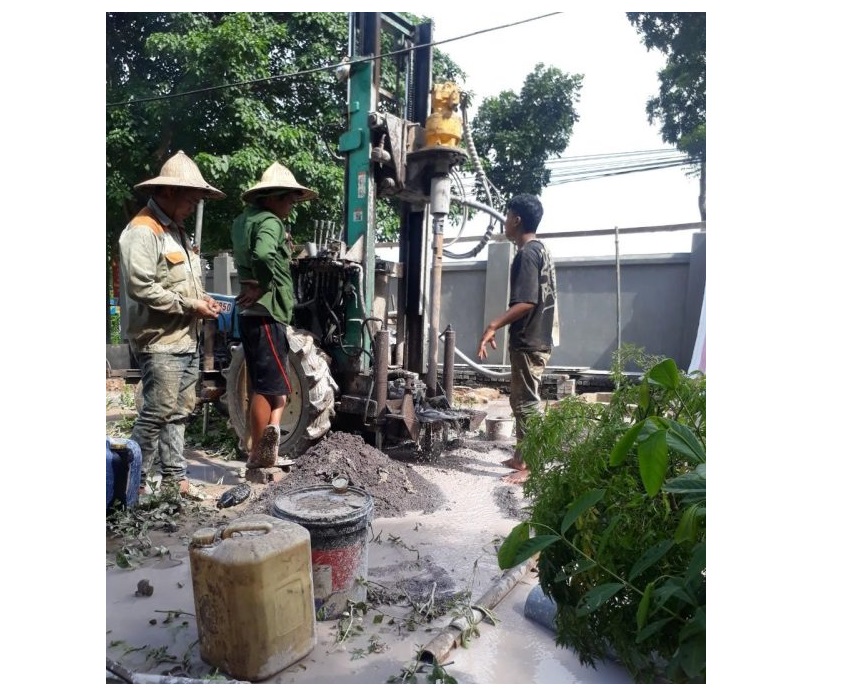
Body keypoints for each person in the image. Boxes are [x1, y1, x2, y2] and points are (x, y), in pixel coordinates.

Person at [119, 150, 225, 496]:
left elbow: (183, 281)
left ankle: (174, 480)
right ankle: (130, 487)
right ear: (168, 191)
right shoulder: (143, 230)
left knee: (179, 411)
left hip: (186, 337)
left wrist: (202, 299)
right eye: (190, 199)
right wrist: (191, 305)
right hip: (160, 340)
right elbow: (141, 286)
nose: (193, 206)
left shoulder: (176, 231)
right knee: (157, 412)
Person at [230, 162, 318, 468]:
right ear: (271, 198)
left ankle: (263, 444)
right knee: (271, 388)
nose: (290, 208)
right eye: (288, 201)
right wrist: (264, 284)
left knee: (265, 386)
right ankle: (259, 455)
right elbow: (265, 254)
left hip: (251, 315)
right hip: (267, 312)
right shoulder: (270, 221)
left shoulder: (243, 220)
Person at [477, 193, 559, 485]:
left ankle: (531, 466)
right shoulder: (541, 250)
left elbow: (527, 302)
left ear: (516, 220)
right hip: (537, 338)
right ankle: (521, 457)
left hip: (528, 340)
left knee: (526, 404)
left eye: (507, 215)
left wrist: (493, 325)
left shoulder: (526, 254)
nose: (504, 220)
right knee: (520, 400)